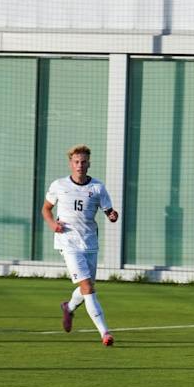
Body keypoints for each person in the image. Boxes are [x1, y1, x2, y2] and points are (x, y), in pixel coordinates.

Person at [42, 145, 119, 347]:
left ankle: (69, 307)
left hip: (90, 242)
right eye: (76, 162)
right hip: (68, 241)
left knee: (88, 287)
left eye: (83, 162)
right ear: (71, 163)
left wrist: (112, 216)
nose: (80, 165)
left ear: (89, 164)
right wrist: (52, 224)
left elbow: (109, 211)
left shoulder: (98, 188)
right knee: (86, 286)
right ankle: (105, 333)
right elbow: (46, 209)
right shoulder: (59, 185)